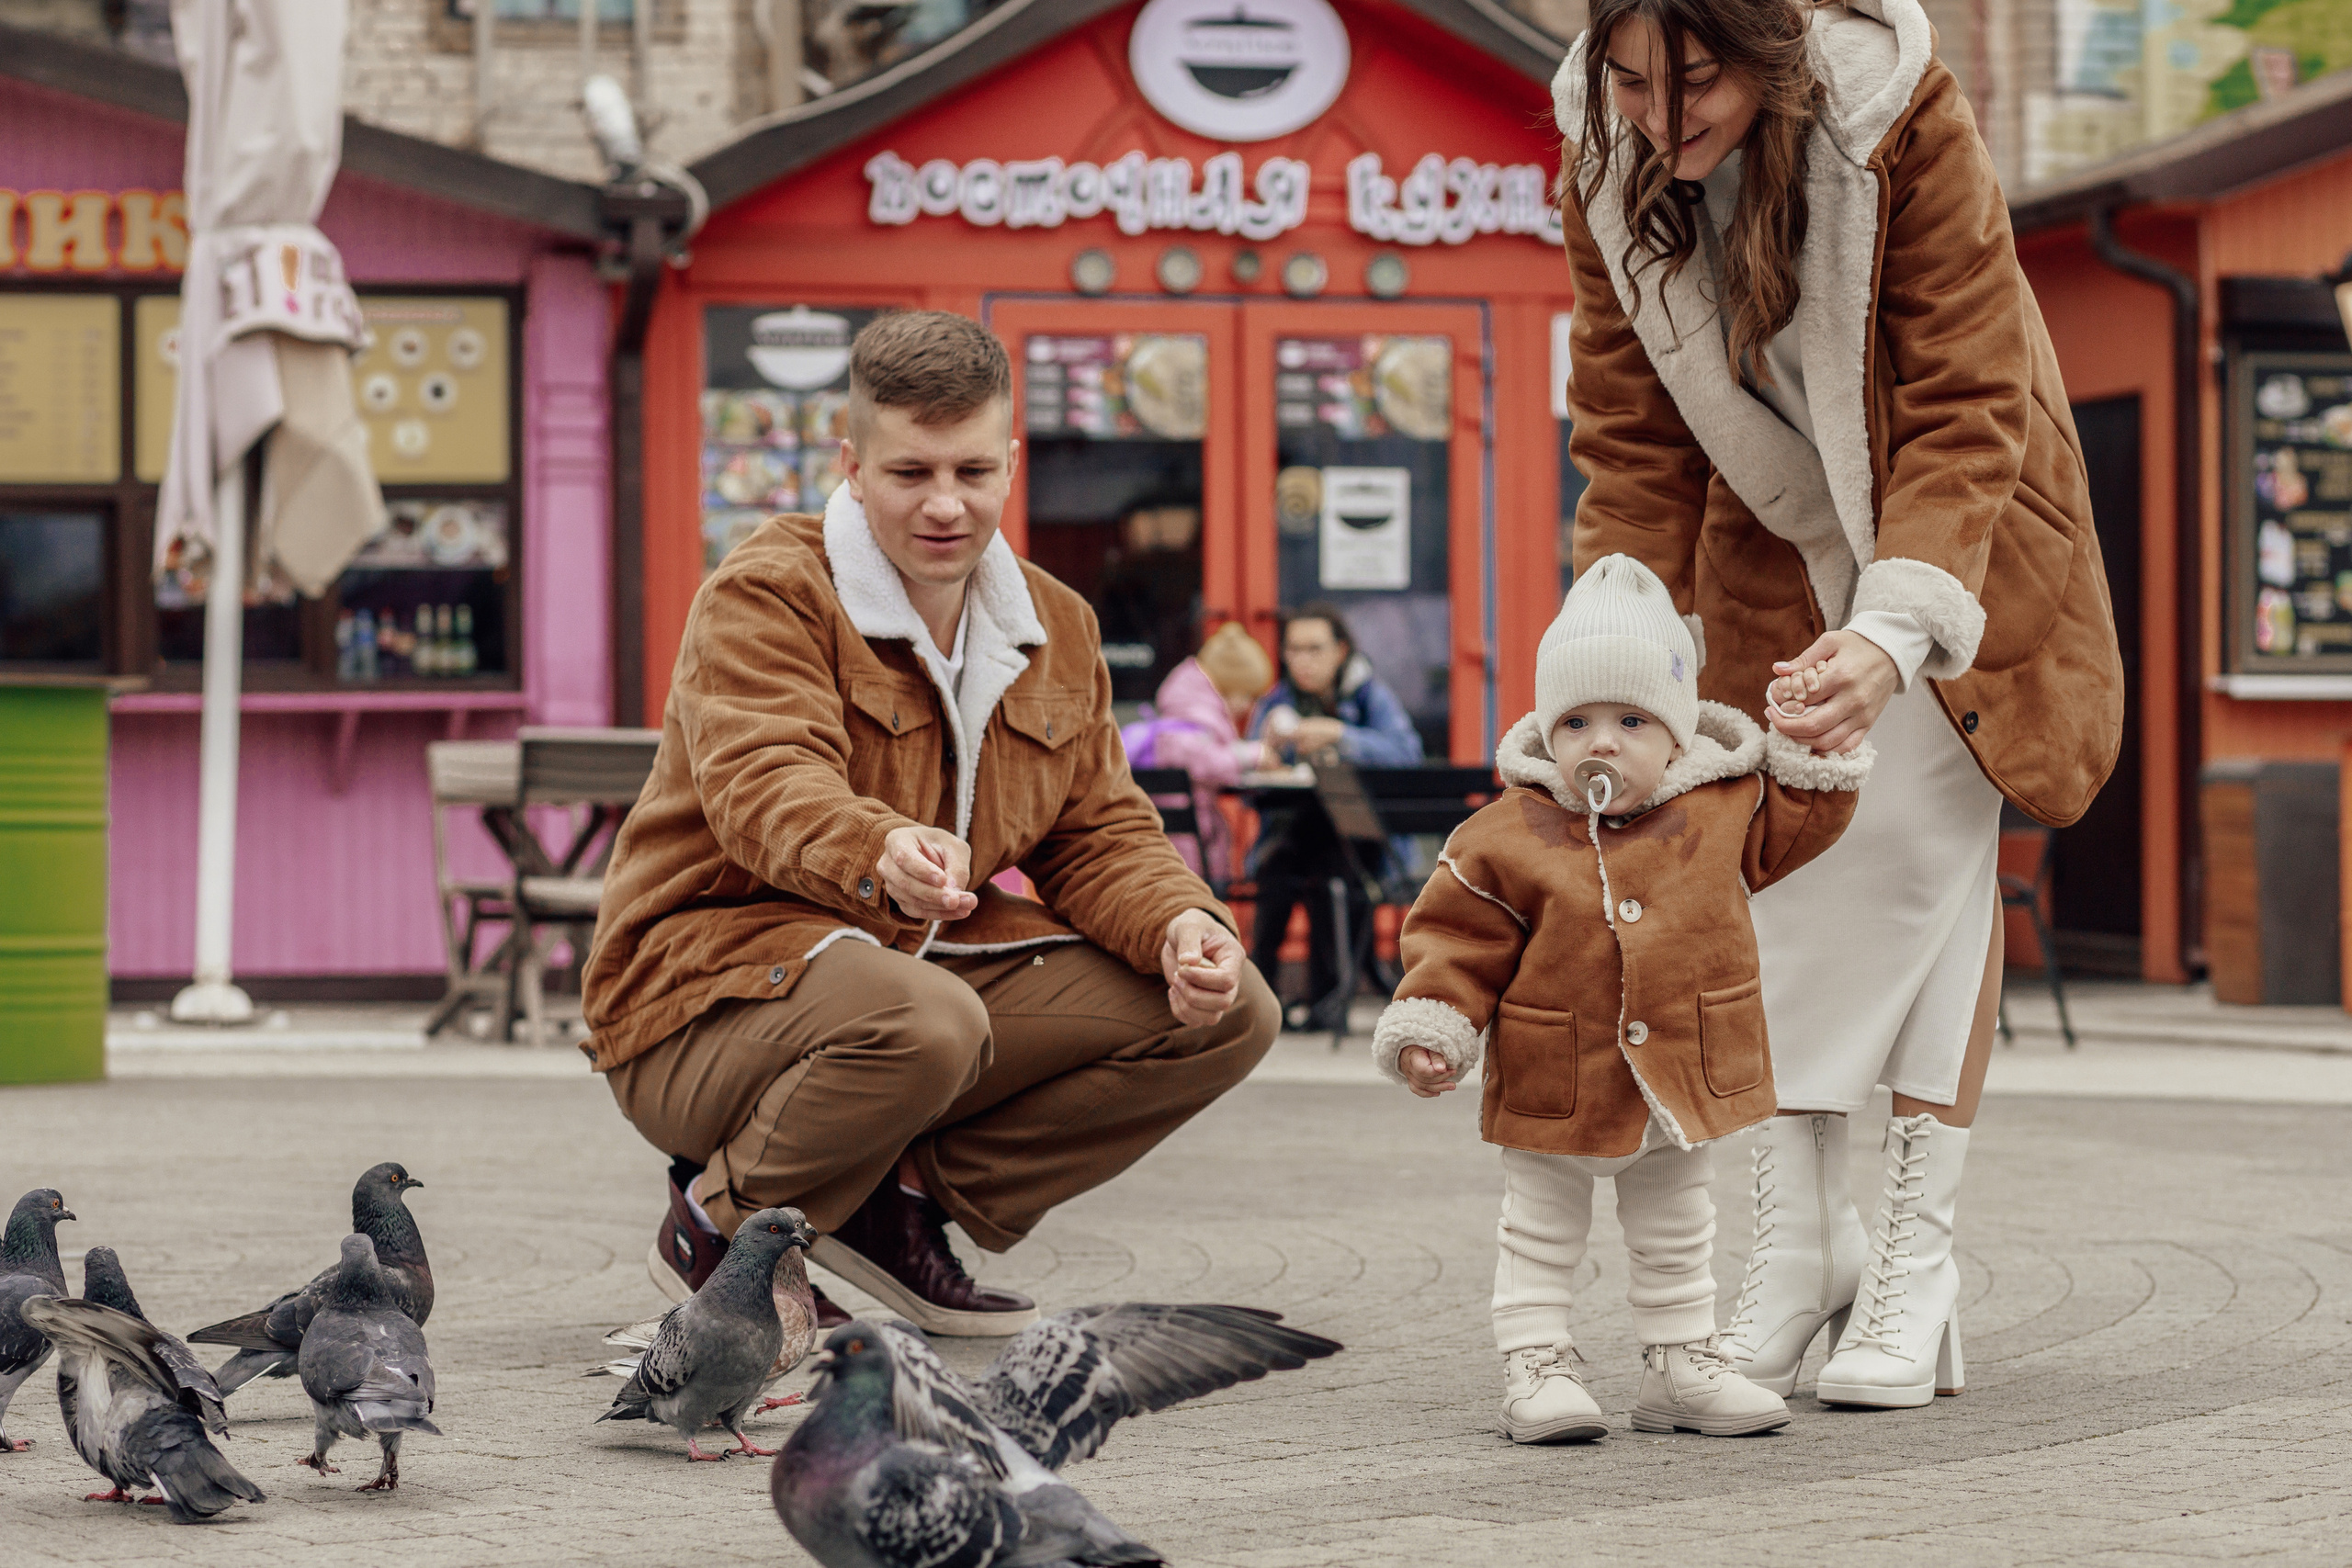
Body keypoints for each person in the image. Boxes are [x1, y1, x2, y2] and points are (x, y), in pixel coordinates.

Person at [1555, 0, 2123, 1408]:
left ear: (1774, 57)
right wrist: (1620, 642)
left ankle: (1916, 1255)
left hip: (1962, 544)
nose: (1653, 116)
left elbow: (1967, 398)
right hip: (1771, 554)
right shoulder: (1605, 157)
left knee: (1927, 867)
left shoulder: (1901, 123)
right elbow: (1629, 427)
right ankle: (1804, 1248)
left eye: (1690, 85)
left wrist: (1893, 628)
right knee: (1781, 897)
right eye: (1625, 81)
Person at [582, 311, 1279, 1339]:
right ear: (853, 467)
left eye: (971, 472)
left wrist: (1179, 920)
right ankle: (720, 1237)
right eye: (910, 473)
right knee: (925, 1018)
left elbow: (1096, 833)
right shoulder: (768, 590)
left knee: (1229, 1009)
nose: (946, 505)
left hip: (903, 981)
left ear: (1011, 463)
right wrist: (877, 848)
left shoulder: (1056, 625)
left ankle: (892, 1200)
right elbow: (760, 781)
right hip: (695, 997)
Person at [1372, 557, 1872, 1442]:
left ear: (1677, 735)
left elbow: (1805, 818)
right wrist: (1437, 1026)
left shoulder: (1723, 810)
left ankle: (1681, 1362)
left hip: (1679, 1068)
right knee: (1539, 1228)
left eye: (1631, 720)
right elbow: (1456, 937)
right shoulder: (1506, 831)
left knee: (1678, 1224)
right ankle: (1538, 1361)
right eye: (1577, 721)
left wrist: (1808, 740)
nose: (1600, 742)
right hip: (1552, 1073)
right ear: (1545, 729)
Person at [1246, 604, 1424, 1032]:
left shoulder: (1368, 695)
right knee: (1286, 864)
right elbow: (1253, 787)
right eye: (1294, 650)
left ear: (1340, 650)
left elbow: (1407, 755)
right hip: (1295, 839)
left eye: (1314, 648)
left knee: (1310, 863)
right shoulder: (1278, 702)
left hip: (1364, 846)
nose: (1303, 660)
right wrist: (1265, 759)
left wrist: (1341, 734)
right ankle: (1269, 998)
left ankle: (1305, 998)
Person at [1120, 621, 1278, 886]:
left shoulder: (1180, 716)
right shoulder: (1187, 726)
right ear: (1230, 689)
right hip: (1184, 861)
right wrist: (1254, 755)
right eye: (1248, 696)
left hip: (1181, 850)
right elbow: (1206, 763)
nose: (1248, 707)